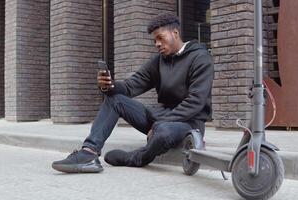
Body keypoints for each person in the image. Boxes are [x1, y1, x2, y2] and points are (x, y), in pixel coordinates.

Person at [52, 13, 214, 173]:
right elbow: (131, 86)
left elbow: (195, 102)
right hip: (161, 119)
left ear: (175, 33)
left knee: (163, 132)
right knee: (114, 99)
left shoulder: (200, 58)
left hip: (188, 123)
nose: (157, 44)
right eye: (154, 40)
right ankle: (88, 153)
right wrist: (109, 86)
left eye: (160, 38)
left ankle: (135, 158)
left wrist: (158, 124)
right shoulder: (158, 61)